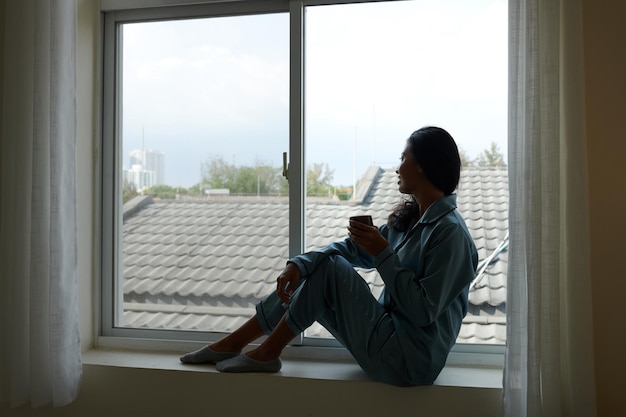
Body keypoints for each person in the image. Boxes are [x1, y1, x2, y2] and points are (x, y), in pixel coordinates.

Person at [180, 126, 478, 386]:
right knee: (321, 267)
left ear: (424, 165)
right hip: (385, 342)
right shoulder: (411, 221)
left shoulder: (450, 234)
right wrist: (298, 265)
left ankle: (263, 351)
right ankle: (237, 343)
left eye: (403, 159)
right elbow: (350, 250)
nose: (398, 168)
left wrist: (383, 254)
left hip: (409, 362)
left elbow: (424, 311)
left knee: (330, 269)